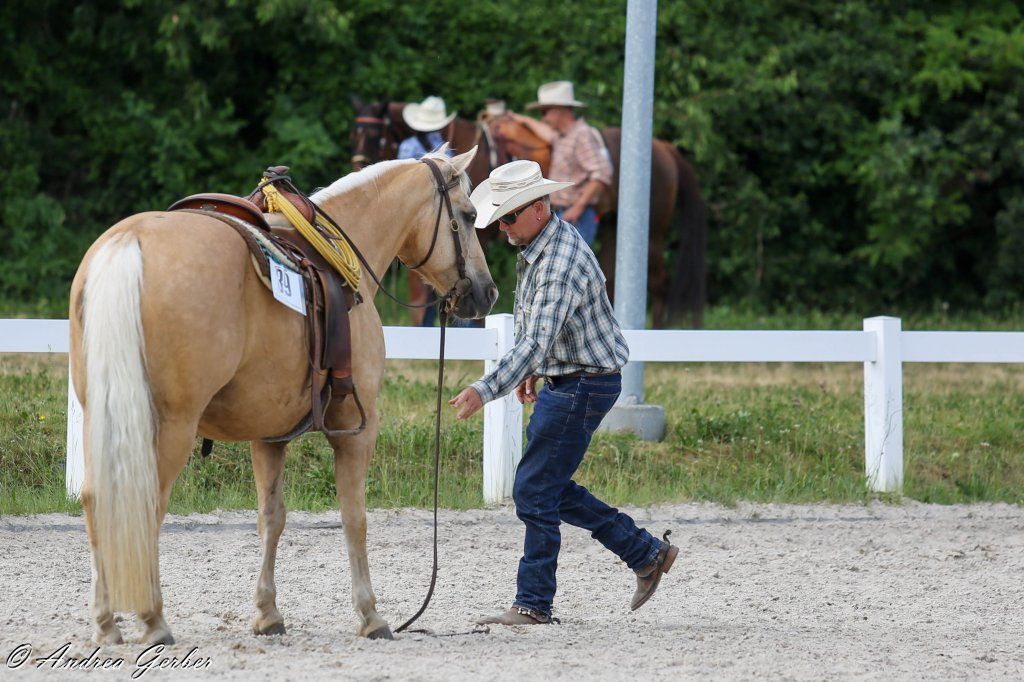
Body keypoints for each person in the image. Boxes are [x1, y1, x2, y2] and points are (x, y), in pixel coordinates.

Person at [449, 160, 679, 625]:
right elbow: (539, 331)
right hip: (574, 377)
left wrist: (485, 388)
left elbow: (535, 340)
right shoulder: (538, 244)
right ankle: (646, 553)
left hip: (586, 383)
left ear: (538, 207)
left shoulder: (559, 261)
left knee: (533, 489)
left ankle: (534, 603)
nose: (503, 227)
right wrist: (537, 370)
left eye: (509, 217)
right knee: (545, 486)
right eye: (500, 218)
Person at [508, 81, 613, 246]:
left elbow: (601, 173)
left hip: (578, 216)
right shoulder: (563, 135)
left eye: (545, 111)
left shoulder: (581, 135)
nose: (543, 118)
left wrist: (579, 206)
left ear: (560, 110)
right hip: (567, 214)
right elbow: (546, 133)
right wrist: (522, 119)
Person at [397, 96, 456, 327]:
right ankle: (428, 318)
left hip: (424, 210)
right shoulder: (443, 148)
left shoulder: (408, 147)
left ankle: (428, 319)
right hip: (430, 209)